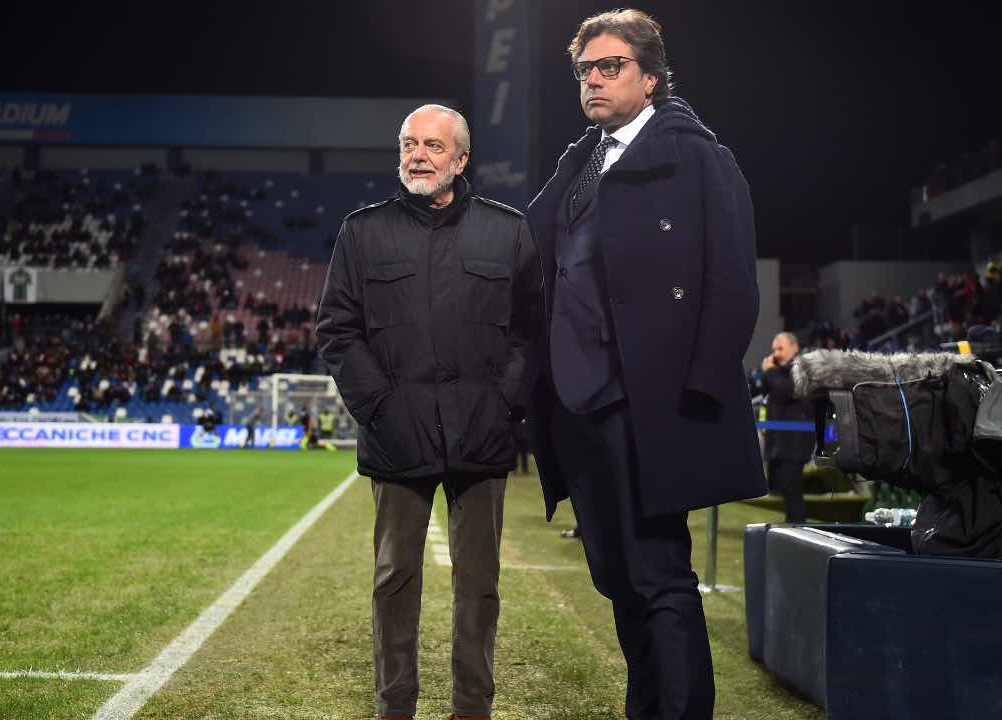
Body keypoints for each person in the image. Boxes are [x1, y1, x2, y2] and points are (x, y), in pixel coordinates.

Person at [525, 9, 766, 720]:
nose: (592, 81)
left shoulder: (698, 157)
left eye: (609, 67)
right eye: (583, 71)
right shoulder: (581, 162)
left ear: (651, 78)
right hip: (578, 403)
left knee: (661, 577)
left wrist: (694, 390)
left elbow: (732, 283)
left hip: (648, 402)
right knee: (618, 581)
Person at [317, 103, 540, 720]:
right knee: (394, 582)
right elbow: (337, 329)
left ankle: (472, 706)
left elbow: (531, 334)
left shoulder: (509, 231)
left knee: (479, 588)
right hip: (397, 438)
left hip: (481, 436)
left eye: (433, 146)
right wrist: (380, 409)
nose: (418, 155)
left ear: (461, 159)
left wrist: (503, 406)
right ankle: (396, 706)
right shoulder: (362, 232)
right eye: (409, 144)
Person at [758, 332, 813, 523]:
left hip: (795, 442)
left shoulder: (802, 367)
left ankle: (797, 528)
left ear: (794, 347)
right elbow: (767, 392)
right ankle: (791, 526)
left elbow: (785, 392)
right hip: (780, 442)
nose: (776, 353)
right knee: (781, 486)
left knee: (792, 488)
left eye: (780, 348)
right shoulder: (780, 370)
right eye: (774, 349)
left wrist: (770, 372)